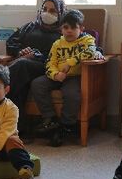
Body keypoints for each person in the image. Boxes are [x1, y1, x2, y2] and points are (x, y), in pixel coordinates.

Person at [30, 9, 99, 146]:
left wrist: (70, 63)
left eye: (74, 27)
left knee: (72, 94)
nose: (69, 31)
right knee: (37, 84)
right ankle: (51, 119)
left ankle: (67, 125)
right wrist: (55, 75)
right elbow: (49, 63)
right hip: (58, 76)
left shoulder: (87, 40)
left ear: (81, 28)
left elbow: (91, 52)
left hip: (75, 76)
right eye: (66, 27)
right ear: (61, 29)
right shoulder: (57, 44)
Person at [0, 0, 66, 114]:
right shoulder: (30, 27)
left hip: (47, 67)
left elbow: (64, 55)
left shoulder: (64, 32)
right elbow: (11, 42)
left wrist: (36, 56)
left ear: (60, 13)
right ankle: (16, 124)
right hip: (24, 66)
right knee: (19, 81)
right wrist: (20, 52)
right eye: (44, 9)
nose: (46, 13)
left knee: (21, 65)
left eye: (52, 11)